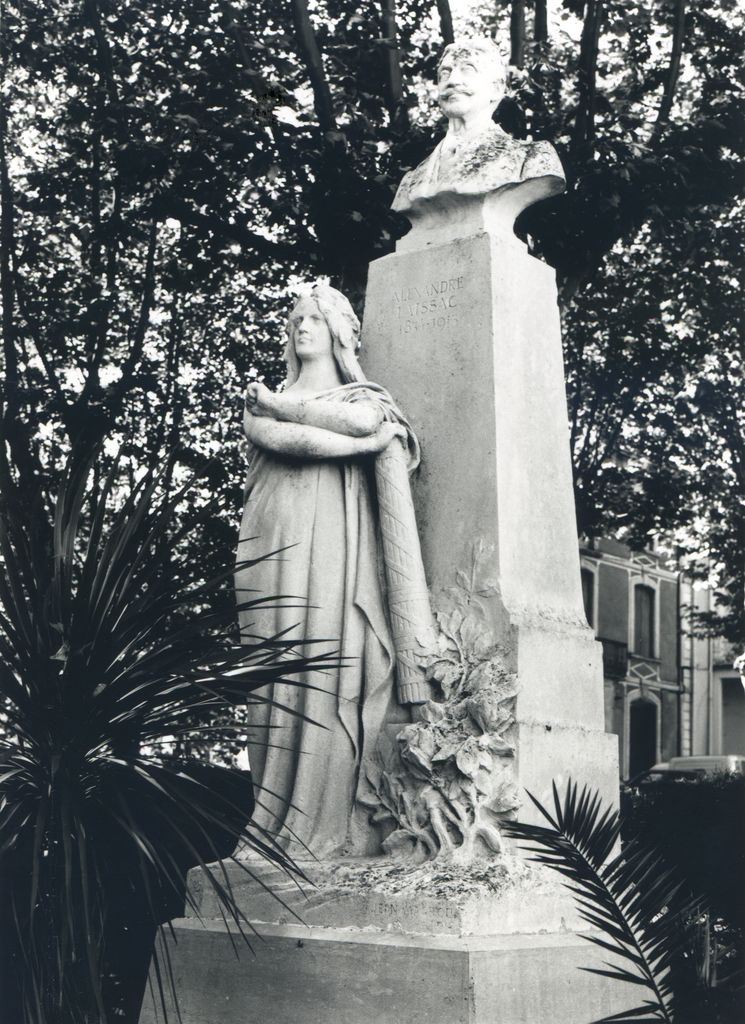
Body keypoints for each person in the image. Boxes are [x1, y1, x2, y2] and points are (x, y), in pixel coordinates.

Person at [235, 283, 419, 858]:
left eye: (314, 317)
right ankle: (267, 818)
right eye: (295, 318)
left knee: (324, 668)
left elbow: (367, 422)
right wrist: (360, 446)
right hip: (270, 537)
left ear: (339, 330)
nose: (301, 326)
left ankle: (321, 821)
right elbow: (288, 440)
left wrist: (366, 435)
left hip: (334, 545)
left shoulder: (364, 397)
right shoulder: (263, 403)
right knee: (272, 675)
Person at [392, 37, 565, 216]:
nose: (452, 80)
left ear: (496, 88)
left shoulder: (531, 158)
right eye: (445, 72)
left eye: (467, 69)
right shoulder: (410, 181)